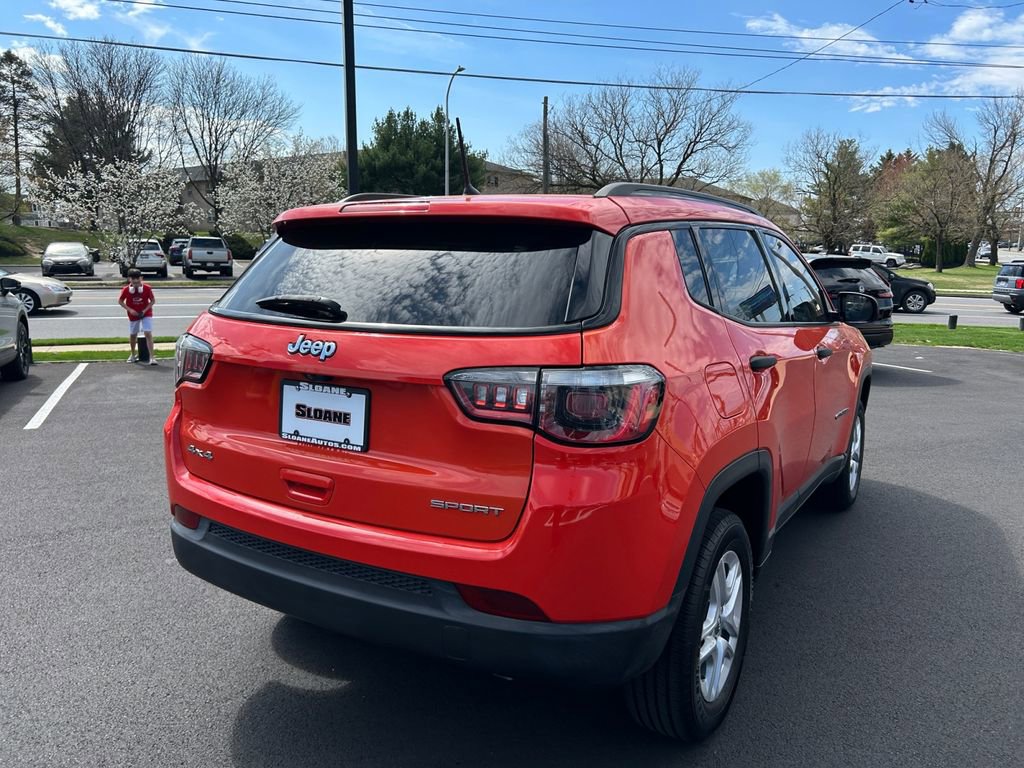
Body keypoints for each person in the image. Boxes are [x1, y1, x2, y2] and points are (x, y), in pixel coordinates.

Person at [118, 268, 157, 365]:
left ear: (141, 278)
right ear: (129, 280)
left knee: (148, 332)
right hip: (133, 314)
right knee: (133, 334)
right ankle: (132, 354)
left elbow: (152, 301)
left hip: (145, 313)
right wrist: (130, 310)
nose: (136, 283)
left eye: (138, 281)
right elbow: (120, 301)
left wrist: (144, 310)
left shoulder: (147, 288)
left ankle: (152, 357)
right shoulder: (126, 290)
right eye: (133, 281)